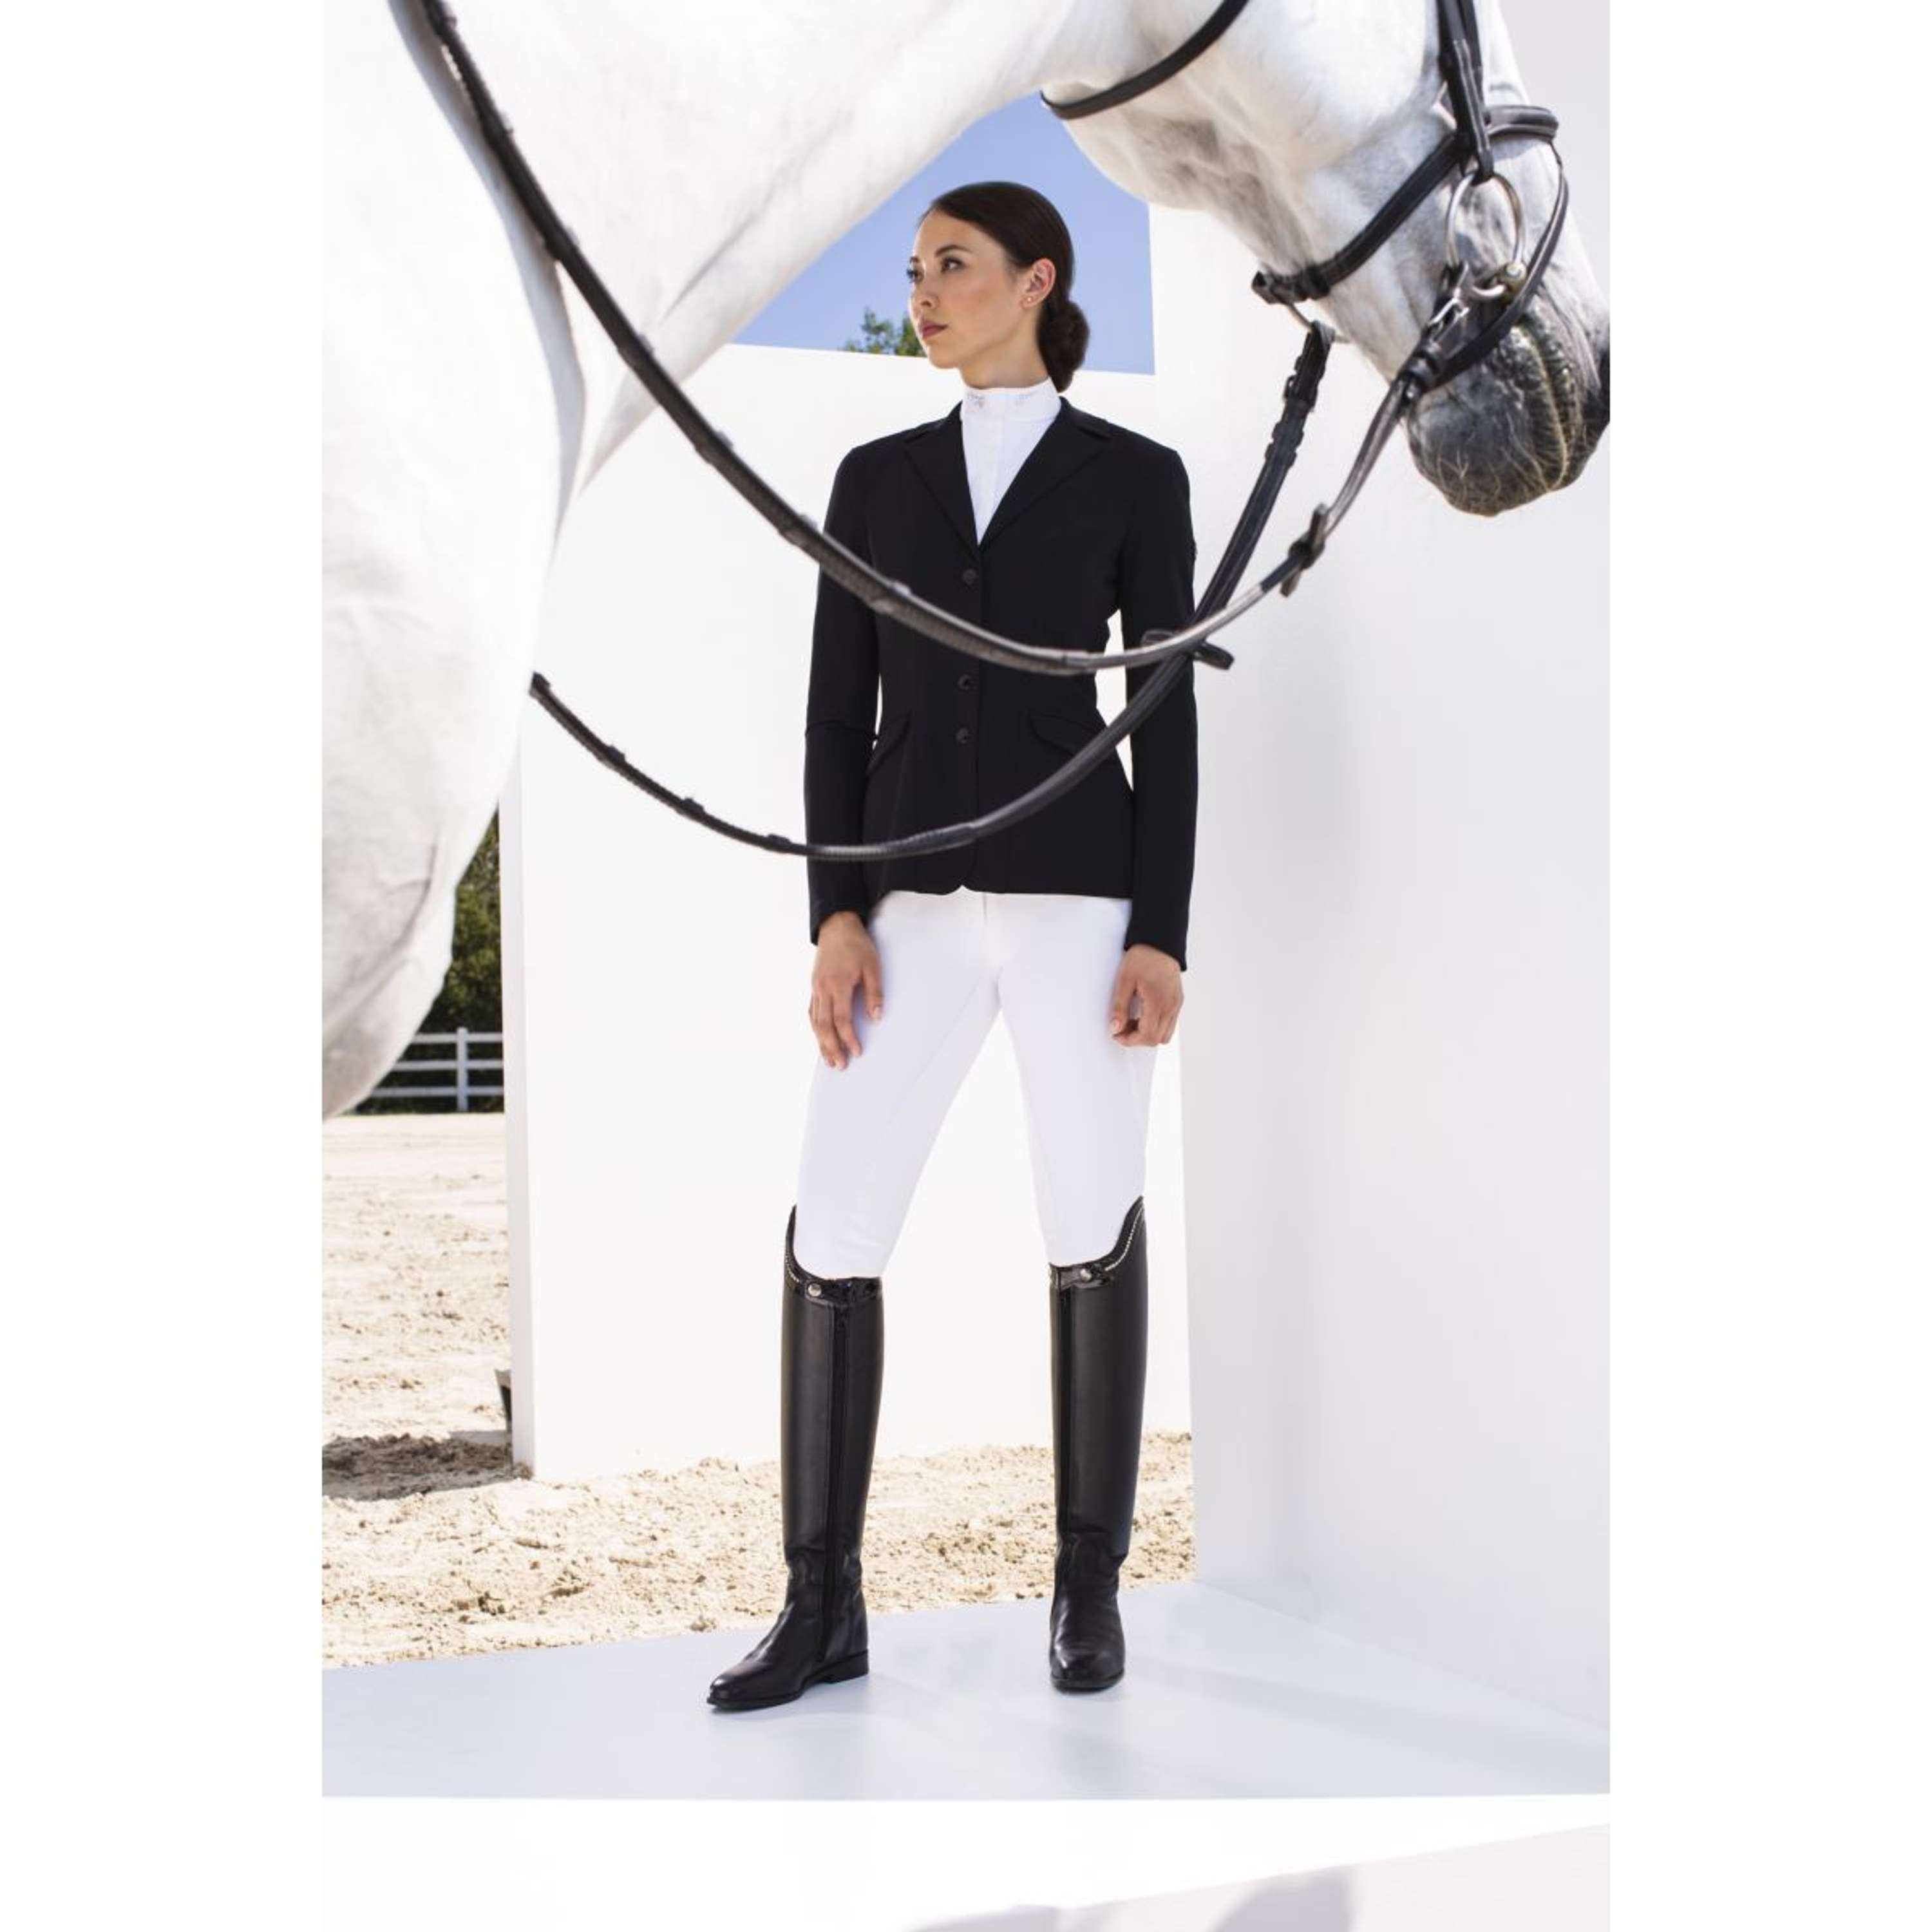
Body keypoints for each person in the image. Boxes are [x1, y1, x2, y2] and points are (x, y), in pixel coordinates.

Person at [707, 181, 1198, 1712]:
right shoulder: (875, 479)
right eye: (915, 268)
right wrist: (834, 912)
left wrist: (1162, 933)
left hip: (1081, 901)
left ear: (1036, 282)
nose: (924, 290)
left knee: (1089, 1216)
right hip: (908, 904)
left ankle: (1087, 1588)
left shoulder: (1137, 477)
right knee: (834, 1230)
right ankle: (821, 1606)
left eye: (954, 265)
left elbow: (1166, 714)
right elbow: (832, 715)